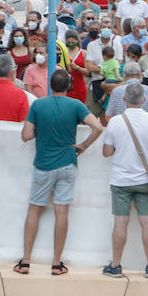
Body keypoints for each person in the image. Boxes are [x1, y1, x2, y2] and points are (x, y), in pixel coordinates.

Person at [16, 69, 102, 276]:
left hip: (43, 164)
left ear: (50, 85)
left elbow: (26, 135)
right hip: (67, 162)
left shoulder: (38, 105)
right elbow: (98, 127)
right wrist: (84, 146)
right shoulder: (76, 105)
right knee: (61, 211)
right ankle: (56, 263)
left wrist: (41, 128)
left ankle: (26, 261)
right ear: (69, 86)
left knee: (34, 210)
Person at [100, 83, 148, 279]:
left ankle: (115, 264)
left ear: (124, 99)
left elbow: (106, 152)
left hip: (121, 180)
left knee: (120, 222)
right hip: (145, 179)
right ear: (144, 100)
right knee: (147, 222)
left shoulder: (115, 122)